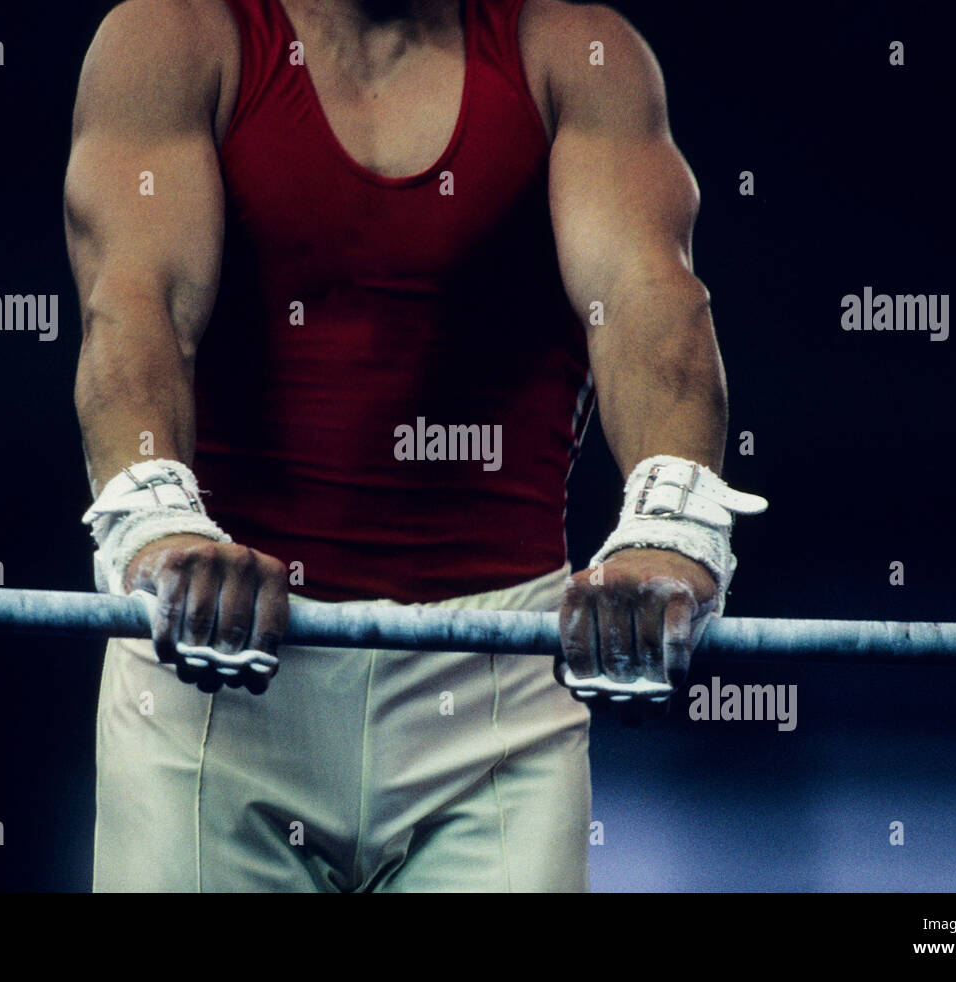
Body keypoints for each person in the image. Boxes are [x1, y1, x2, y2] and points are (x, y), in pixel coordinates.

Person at [64, 0, 765, 892]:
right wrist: (160, 527)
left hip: (495, 691)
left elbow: (643, 298)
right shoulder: (175, 37)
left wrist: (671, 523)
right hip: (218, 666)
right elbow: (136, 307)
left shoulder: (574, 52)